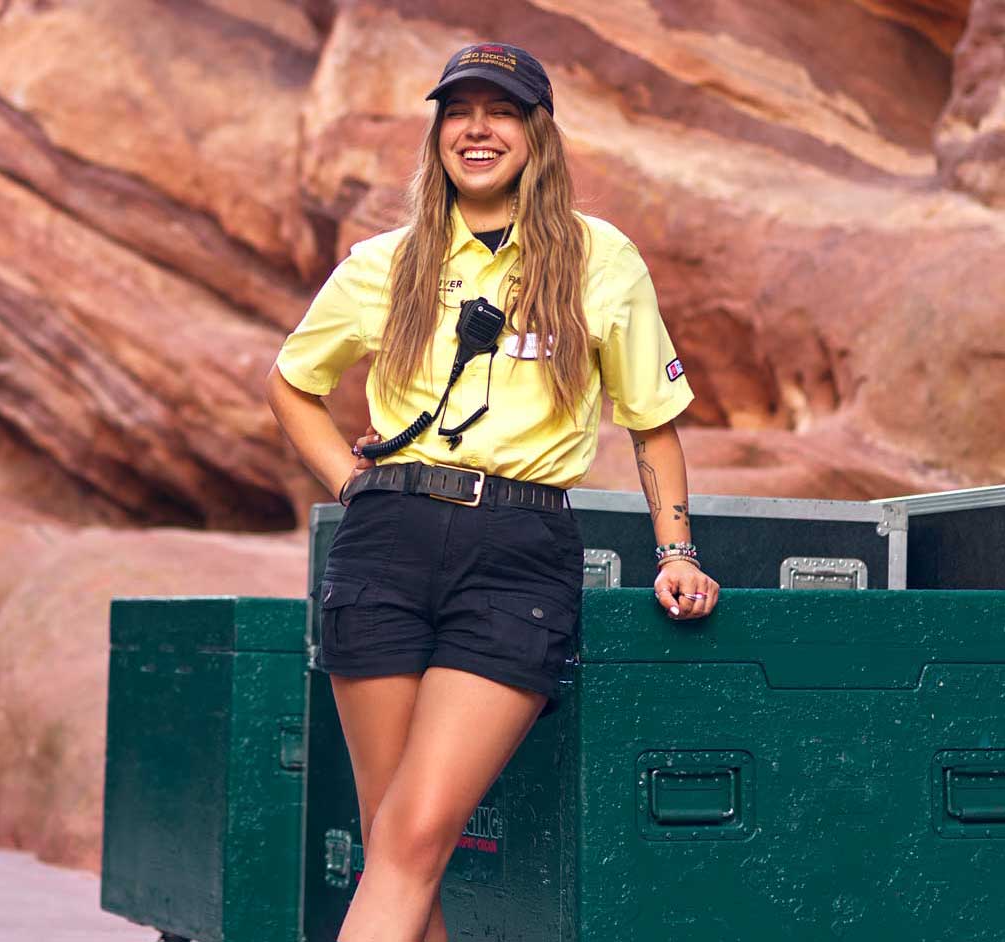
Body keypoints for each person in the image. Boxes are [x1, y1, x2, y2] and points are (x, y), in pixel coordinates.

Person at [264, 42, 719, 942]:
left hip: (516, 555)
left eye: (501, 110)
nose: (478, 128)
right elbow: (291, 380)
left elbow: (651, 421)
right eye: (458, 111)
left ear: (537, 136)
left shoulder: (600, 258)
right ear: (437, 135)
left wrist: (677, 551)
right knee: (396, 848)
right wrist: (351, 481)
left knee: (415, 835)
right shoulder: (382, 262)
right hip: (384, 542)